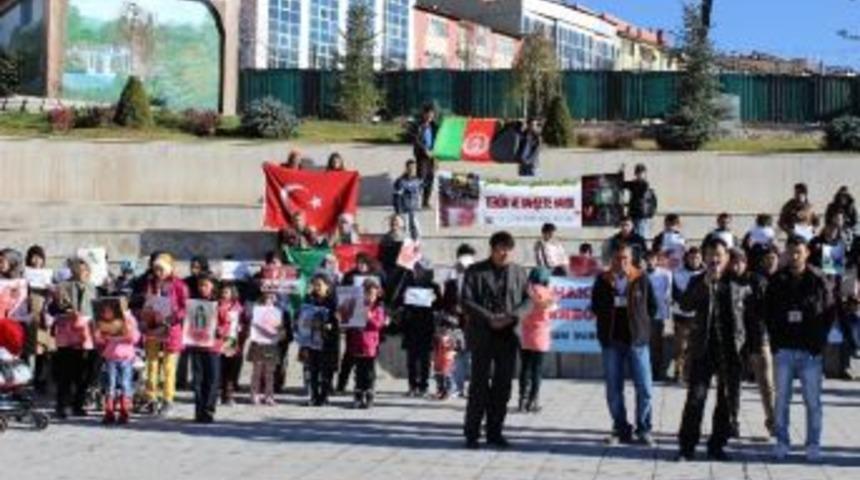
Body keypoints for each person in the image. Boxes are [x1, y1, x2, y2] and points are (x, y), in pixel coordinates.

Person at [676, 238, 748, 462]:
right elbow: (685, 304)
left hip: (730, 349)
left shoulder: (738, 282)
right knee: (695, 399)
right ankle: (687, 447)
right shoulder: (697, 280)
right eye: (710, 255)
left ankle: (717, 445)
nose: (715, 260)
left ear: (727, 257)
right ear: (704, 258)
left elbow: (749, 315)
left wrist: (746, 347)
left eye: (719, 255)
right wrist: (704, 285)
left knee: (725, 400)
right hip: (703, 348)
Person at [766, 236, 834, 462]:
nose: (795, 256)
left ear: (807, 253)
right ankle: (782, 441)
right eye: (791, 252)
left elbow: (829, 311)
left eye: (799, 252)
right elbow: (768, 312)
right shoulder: (777, 279)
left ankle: (813, 443)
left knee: (813, 401)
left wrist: (819, 341)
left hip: (810, 350)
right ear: (786, 253)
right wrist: (776, 341)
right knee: (781, 400)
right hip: (784, 349)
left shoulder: (818, 279)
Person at [462, 231, 531, 449]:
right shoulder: (475, 271)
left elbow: (528, 301)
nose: (505, 253)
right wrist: (489, 318)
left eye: (508, 249)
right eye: (501, 249)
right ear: (492, 249)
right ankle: (472, 433)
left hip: (508, 335)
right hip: (482, 334)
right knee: (479, 385)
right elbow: (466, 300)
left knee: (503, 387)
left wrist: (512, 317)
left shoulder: (519, 272)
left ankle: (495, 431)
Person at [591, 244, 658, 446]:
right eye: (618, 258)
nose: (622, 262)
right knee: (613, 389)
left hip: (637, 341)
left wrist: (642, 326)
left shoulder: (641, 278)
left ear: (631, 259)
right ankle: (620, 429)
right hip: (612, 341)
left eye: (625, 258)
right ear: (612, 260)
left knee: (645, 388)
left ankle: (644, 428)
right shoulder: (602, 280)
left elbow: (652, 307)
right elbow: (595, 306)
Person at [139, 253, 189, 417]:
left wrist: (173, 317)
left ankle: (168, 399)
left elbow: (185, 307)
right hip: (153, 327)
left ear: (169, 269)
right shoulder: (151, 284)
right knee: (151, 364)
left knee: (169, 366)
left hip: (171, 328)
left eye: (161, 269)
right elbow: (146, 302)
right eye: (156, 269)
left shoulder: (179, 285)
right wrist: (147, 311)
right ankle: (151, 397)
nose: (158, 272)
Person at [50, 259, 97, 419]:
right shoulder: (62, 286)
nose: (84, 273)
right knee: (66, 371)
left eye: (87, 270)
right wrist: (64, 310)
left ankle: (79, 404)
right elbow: (52, 309)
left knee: (84, 371)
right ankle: (62, 405)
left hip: (87, 334)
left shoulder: (93, 288)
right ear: (74, 271)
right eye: (81, 270)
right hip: (67, 333)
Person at [745, 244, 779, 436]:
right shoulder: (756, 279)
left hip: (776, 335)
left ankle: (773, 419)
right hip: (760, 333)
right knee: (766, 380)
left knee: (770, 381)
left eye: (774, 257)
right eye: (768, 258)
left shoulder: (780, 278)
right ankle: (773, 420)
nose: (772, 261)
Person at [186, 274, 228, 423]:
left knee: (212, 379)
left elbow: (226, 323)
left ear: (212, 286)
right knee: (198, 380)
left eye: (205, 285)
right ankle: (199, 410)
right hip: (197, 345)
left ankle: (208, 410)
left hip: (212, 348)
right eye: (200, 285)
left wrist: (220, 331)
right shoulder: (193, 303)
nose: (202, 288)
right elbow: (188, 321)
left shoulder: (218, 304)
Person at [398, 261, 440, 397]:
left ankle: (424, 386)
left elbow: (440, 305)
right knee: (411, 359)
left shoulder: (433, 286)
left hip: (426, 326)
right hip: (411, 326)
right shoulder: (407, 285)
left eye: (421, 269)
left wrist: (435, 299)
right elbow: (400, 303)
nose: (418, 272)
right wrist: (403, 298)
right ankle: (412, 386)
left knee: (425, 359)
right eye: (416, 269)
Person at [93, 301, 139, 425]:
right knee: (110, 384)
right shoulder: (108, 320)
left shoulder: (130, 319)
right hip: (111, 357)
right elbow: (100, 340)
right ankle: (109, 412)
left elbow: (135, 338)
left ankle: (124, 412)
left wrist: (127, 328)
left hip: (126, 357)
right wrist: (99, 334)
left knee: (125, 384)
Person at [518, 267, 555, 413]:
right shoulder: (547, 292)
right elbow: (552, 308)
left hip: (525, 333)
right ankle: (532, 401)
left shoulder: (525, 291)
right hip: (541, 334)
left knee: (525, 368)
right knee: (537, 369)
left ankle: (522, 399)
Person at [346, 278, 386, 409]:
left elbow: (379, 325)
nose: (370, 297)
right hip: (357, 343)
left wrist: (370, 317)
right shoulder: (357, 306)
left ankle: (369, 395)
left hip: (370, 345)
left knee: (369, 372)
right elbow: (349, 322)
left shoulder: (378, 308)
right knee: (358, 372)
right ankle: (358, 396)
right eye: (367, 294)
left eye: (373, 294)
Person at [442, 244, 476, 397]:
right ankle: (457, 386)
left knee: (470, 356)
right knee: (456, 354)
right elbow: (446, 299)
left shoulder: (476, 274)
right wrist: (453, 308)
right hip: (455, 322)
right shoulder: (452, 275)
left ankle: (470, 386)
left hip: (472, 321)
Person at [302, 274, 340, 406]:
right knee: (313, 369)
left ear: (327, 286)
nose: (317, 287)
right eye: (315, 285)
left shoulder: (333, 301)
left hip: (328, 341)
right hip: (312, 340)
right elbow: (302, 317)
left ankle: (324, 396)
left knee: (327, 370)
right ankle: (314, 396)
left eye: (320, 285)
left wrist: (333, 324)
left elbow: (339, 320)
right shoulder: (309, 299)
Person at [247, 292, 287, 406]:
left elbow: (282, 330)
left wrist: (281, 333)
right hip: (258, 344)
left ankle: (269, 396)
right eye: (266, 297)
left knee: (270, 372)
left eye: (272, 297)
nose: (269, 300)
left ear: (275, 299)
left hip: (271, 345)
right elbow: (251, 326)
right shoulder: (256, 311)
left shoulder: (278, 312)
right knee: (257, 371)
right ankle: (254, 394)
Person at [672, 247, 704, 384]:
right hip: (681, 314)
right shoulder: (678, 273)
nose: (694, 260)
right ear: (687, 258)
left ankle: (690, 373)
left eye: (697, 258)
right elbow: (675, 293)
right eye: (692, 258)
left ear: (701, 259)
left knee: (695, 346)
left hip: (698, 315)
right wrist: (687, 302)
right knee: (681, 346)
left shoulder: (705, 273)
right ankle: (678, 372)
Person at [25, 245, 52, 394]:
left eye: (39, 257)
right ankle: (25, 379)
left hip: (43, 316)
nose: (36, 260)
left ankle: (40, 380)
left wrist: (51, 288)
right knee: (26, 349)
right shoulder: (24, 274)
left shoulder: (48, 275)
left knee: (42, 349)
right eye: (33, 257)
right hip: (28, 315)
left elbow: (54, 298)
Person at [644, 251, 672, 381]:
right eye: (648, 260)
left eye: (652, 259)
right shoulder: (641, 275)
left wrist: (667, 316)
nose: (650, 262)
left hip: (660, 315)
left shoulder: (665, 274)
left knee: (658, 345)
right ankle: (647, 371)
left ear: (657, 260)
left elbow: (668, 294)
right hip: (644, 315)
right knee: (646, 345)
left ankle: (658, 372)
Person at [218, 282, 245, 406]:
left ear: (232, 294)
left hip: (231, 340)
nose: (223, 294)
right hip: (219, 340)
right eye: (222, 292)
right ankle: (220, 394)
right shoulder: (217, 305)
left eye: (226, 292)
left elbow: (244, 321)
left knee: (231, 369)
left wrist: (242, 327)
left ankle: (228, 394)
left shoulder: (238, 308)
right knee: (220, 368)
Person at [623, 163, 658, 239]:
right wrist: (621, 173)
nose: (640, 175)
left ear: (645, 174)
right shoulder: (634, 184)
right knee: (633, 236)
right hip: (634, 214)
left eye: (641, 173)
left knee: (641, 236)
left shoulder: (644, 185)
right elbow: (623, 184)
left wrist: (650, 215)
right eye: (638, 173)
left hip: (642, 216)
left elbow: (638, 188)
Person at [392, 159, 423, 240]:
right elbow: (396, 196)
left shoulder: (417, 180)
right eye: (410, 167)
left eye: (414, 168)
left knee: (416, 228)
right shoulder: (400, 181)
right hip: (404, 210)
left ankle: (415, 241)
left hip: (414, 209)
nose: (412, 169)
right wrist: (398, 211)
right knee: (404, 229)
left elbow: (420, 192)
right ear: (406, 168)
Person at [413, 104, 437, 209]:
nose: (429, 116)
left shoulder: (434, 126)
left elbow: (438, 140)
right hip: (422, 156)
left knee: (430, 178)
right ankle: (414, 199)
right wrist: (425, 150)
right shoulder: (419, 126)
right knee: (421, 178)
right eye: (428, 114)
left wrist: (436, 154)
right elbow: (416, 140)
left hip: (432, 156)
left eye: (431, 114)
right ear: (424, 114)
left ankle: (425, 202)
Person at [432, 317, 459, 400]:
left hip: (448, 359)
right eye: (442, 327)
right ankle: (440, 390)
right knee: (438, 375)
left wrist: (449, 345)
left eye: (446, 327)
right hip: (438, 358)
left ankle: (450, 391)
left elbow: (455, 347)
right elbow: (435, 348)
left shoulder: (451, 337)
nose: (443, 329)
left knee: (447, 376)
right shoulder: (437, 337)